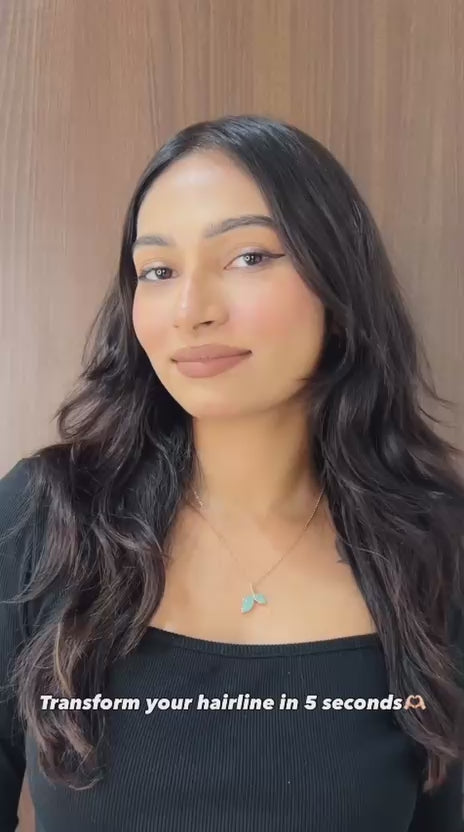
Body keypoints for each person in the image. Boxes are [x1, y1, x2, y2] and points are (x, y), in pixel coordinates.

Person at [1, 114, 464, 832]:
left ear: (338, 284)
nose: (192, 311)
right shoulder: (44, 517)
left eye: (248, 257)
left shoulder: (437, 547)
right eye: (158, 271)